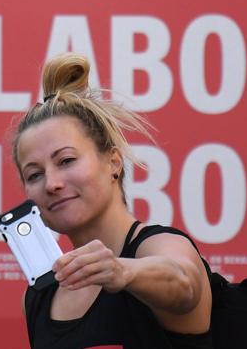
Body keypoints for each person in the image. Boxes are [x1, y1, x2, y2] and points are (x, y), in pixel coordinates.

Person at [11, 53, 214, 349]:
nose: (52, 183)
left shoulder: (156, 247)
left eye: (66, 160)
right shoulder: (38, 297)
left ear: (113, 162)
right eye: (34, 175)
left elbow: (184, 282)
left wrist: (123, 271)